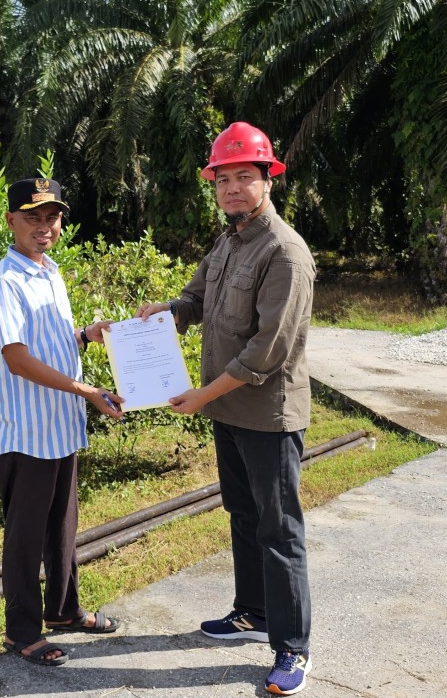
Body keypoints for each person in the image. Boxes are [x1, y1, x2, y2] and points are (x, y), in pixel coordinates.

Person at [136, 122, 316, 696]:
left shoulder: (284, 251)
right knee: (243, 516)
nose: (233, 188)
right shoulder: (229, 241)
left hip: (267, 415)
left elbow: (268, 350)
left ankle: (293, 648)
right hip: (228, 415)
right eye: (224, 179)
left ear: (268, 181)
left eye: (245, 177)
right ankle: (252, 613)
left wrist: (201, 396)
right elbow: (193, 302)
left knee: (280, 529)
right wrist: (151, 317)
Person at [0, 177, 125, 667]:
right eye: (32, 216)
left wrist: (85, 335)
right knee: (25, 537)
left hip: (60, 427)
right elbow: (18, 360)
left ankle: (63, 610)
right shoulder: (6, 280)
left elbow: (48, 346)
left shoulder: (49, 273)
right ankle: (22, 632)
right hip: (27, 432)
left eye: (52, 217)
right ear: (11, 221)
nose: (44, 226)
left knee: (62, 526)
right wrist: (88, 391)